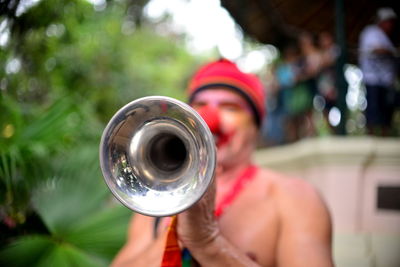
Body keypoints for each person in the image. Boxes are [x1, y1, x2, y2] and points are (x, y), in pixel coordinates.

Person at [111, 59, 333, 267]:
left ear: (256, 127)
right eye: (200, 105)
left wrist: (207, 242)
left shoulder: (295, 197)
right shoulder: (154, 199)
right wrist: (173, 234)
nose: (210, 119)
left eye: (230, 107)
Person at [359, 7, 398, 136]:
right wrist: (393, 52)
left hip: (386, 83)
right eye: (389, 21)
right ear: (382, 21)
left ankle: (383, 138)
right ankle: (372, 140)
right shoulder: (371, 32)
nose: (391, 25)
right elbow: (376, 50)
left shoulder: (386, 37)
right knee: (373, 112)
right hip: (374, 80)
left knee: (385, 115)